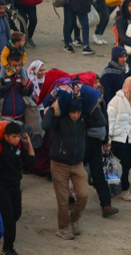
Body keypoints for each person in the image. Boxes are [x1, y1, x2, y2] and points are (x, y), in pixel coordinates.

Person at [42, 98, 106, 240]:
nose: (76, 115)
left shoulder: (83, 119)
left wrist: (95, 107)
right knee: (63, 199)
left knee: (83, 196)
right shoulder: (59, 119)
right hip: (59, 164)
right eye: (73, 112)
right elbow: (45, 125)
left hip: (77, 164)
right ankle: (63, 228)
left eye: (78, 112)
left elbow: (101, 122)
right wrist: (52, 109)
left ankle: (74, 219)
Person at [0, 121, 35, 255]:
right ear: (6, 136)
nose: (16, 139)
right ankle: (7, 248)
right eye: (14, 136)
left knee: (16, 214)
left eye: (18, 136)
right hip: (1, 187)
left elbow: (31, 161)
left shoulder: (19, 146)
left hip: (15, 187)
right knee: (9, 220)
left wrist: (28, 143)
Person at [107, 76, 131, 201]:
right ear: (127, 85)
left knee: (128, 164)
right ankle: (124, 189)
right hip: (118, 138)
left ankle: (121, 188)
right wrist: (107, 139)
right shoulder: (116, 100)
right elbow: (110, 120)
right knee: (124, 162)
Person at [85, 76, 119, 218]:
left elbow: (105, 122)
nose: (98, 85)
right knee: (75, 173)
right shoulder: (85, 102)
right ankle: (70, 200)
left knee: (98, 174)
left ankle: (106, 205)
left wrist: (105, 141)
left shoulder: (101, 101)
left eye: (99, 82)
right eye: (95, 82)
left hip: (96, 143)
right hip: (85, 142)